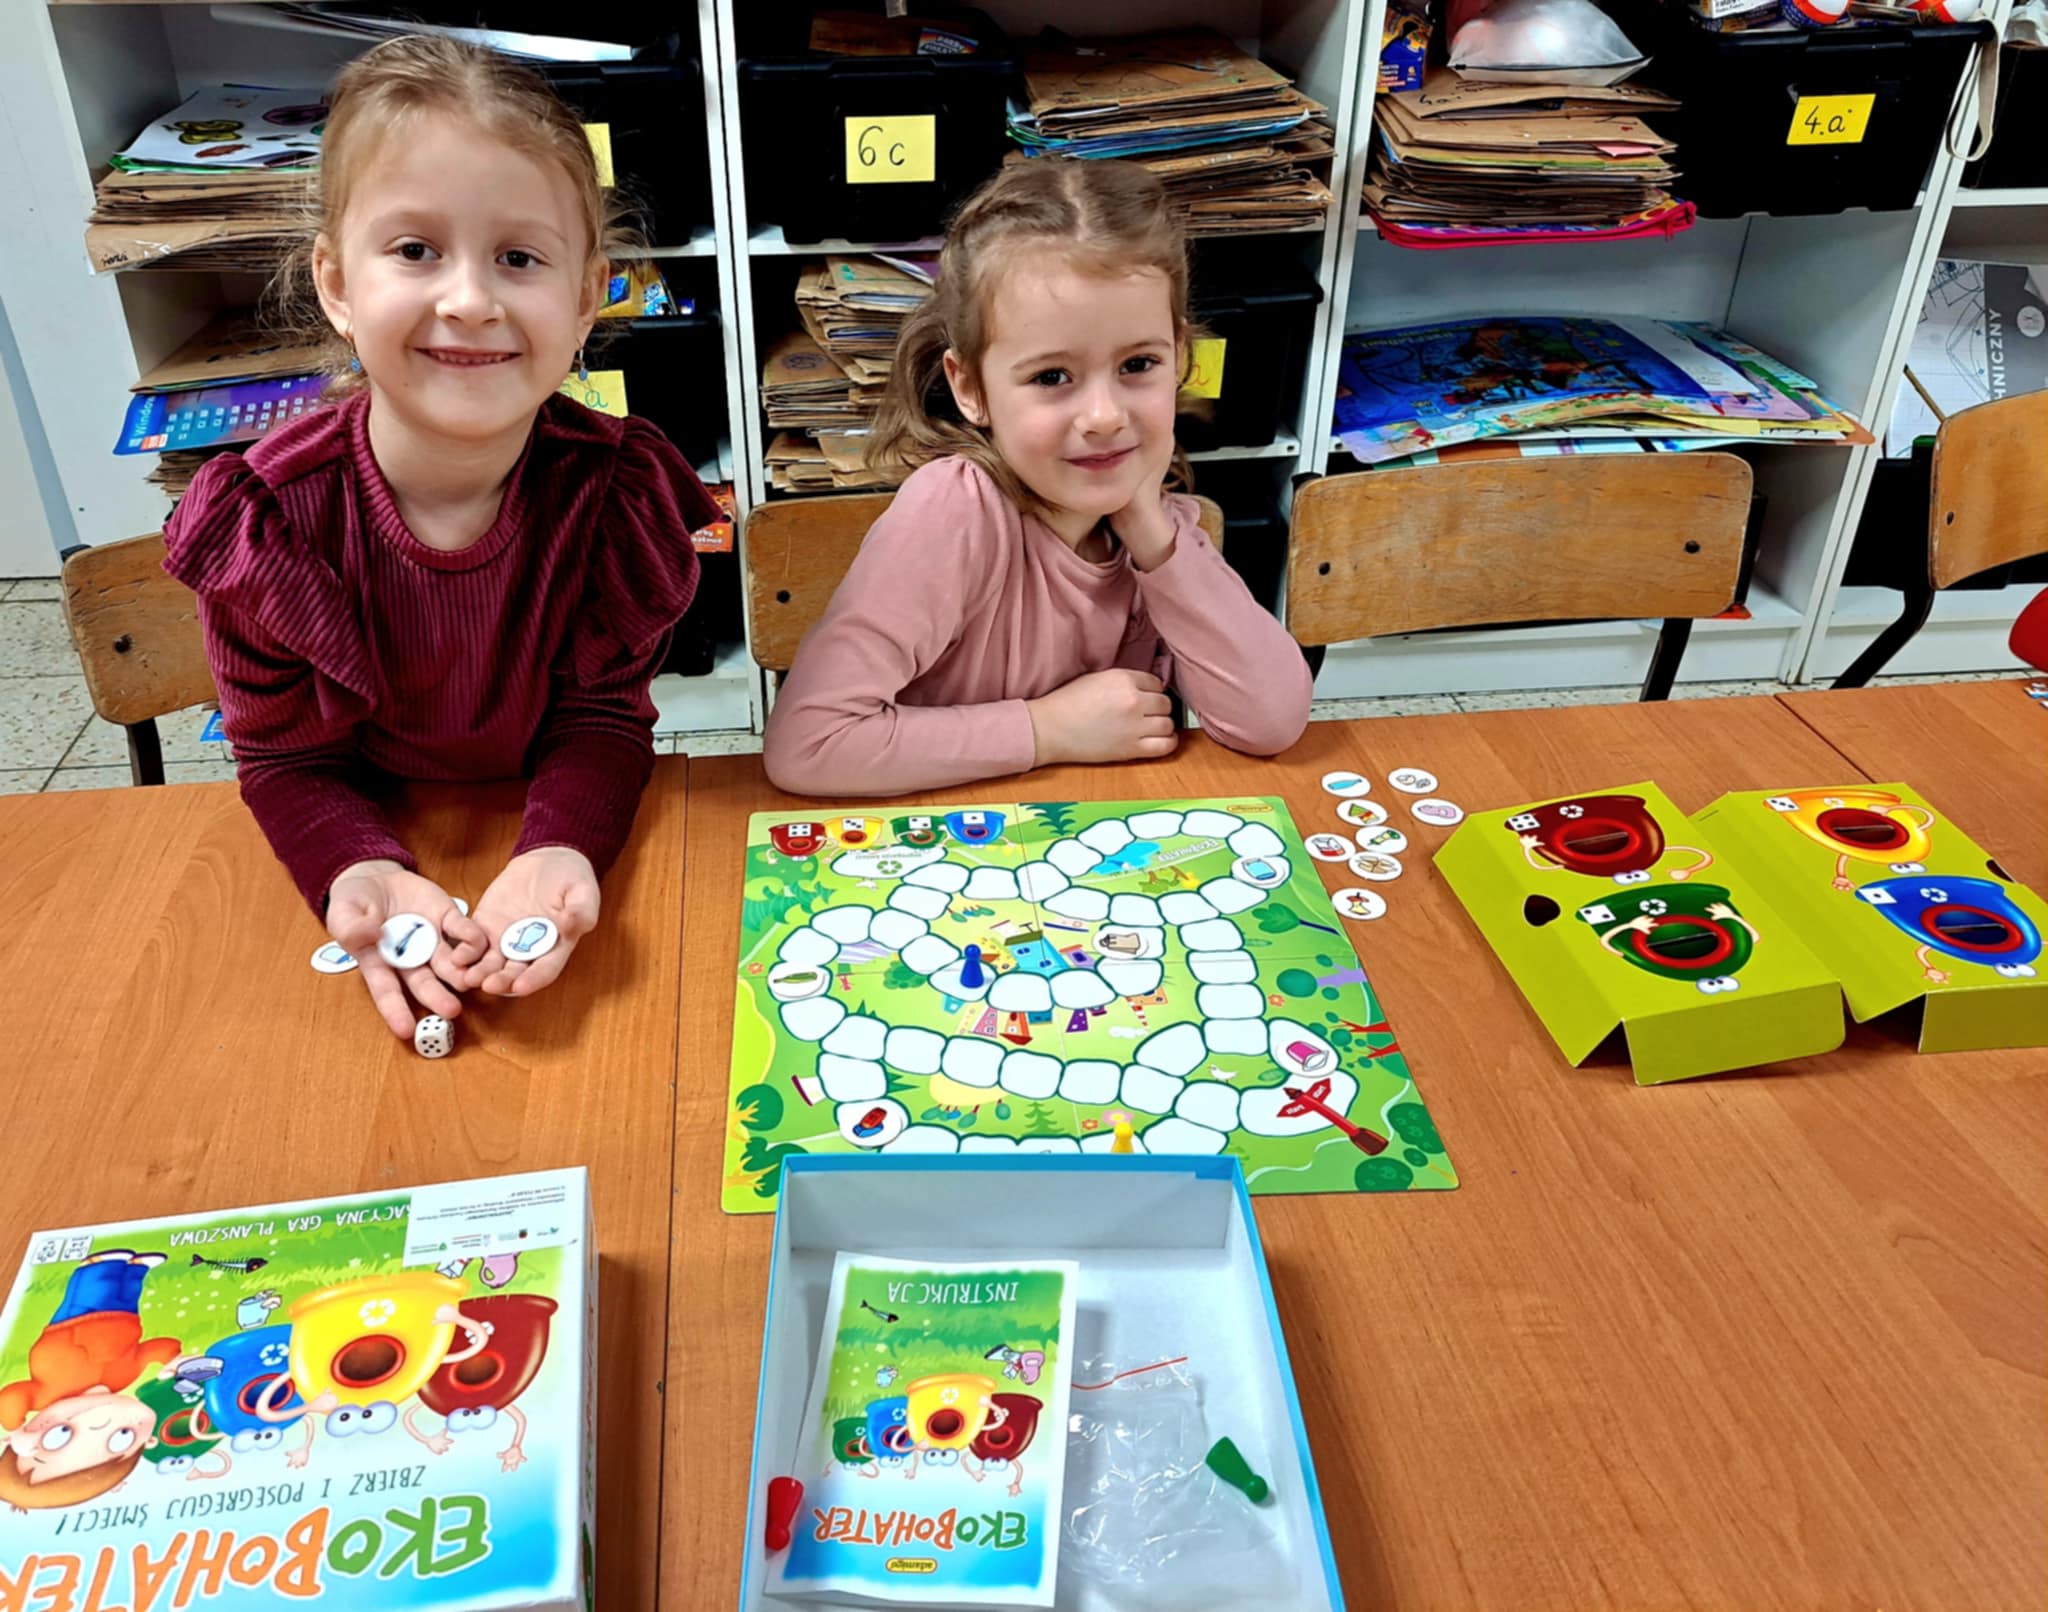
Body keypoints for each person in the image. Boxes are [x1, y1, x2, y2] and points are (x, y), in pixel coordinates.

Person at [163, 37, 717, 1037]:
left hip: (531, 831)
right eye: (415, 250)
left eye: (519, 258)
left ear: (587, 297)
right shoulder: (272, 524)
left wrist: (563, 846)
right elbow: (285, 761)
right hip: (381, 836)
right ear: (337, 283)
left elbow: (600, 717)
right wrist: (354, 864)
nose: (469, 300)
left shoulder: (611, 496)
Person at [761, 160, 1312, 797]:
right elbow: (808, 746)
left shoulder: (1160, 529)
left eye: (1138, 364)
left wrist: (1149, 529)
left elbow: (1271, 721)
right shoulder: (955, 512)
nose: (1105, 417)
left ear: (1180, 358)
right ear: (971, 388)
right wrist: (1046, 731)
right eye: (1052, 377)